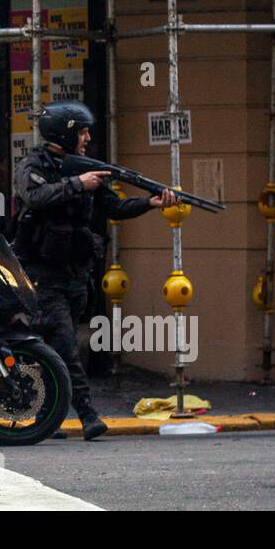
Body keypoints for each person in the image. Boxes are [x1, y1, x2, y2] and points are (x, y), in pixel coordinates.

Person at [12, 100, 174, 441]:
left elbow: (114, 206)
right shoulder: (34, 164)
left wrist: (150, 202)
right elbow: (35, 196)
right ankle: (88, 414)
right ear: (64, 134)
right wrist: (77, 185)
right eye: (82, 132)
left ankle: (46, 416)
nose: (87, 138)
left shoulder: (85, 168)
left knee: (53, 348)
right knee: (66, 347)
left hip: (75, 274)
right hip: (43, 274)